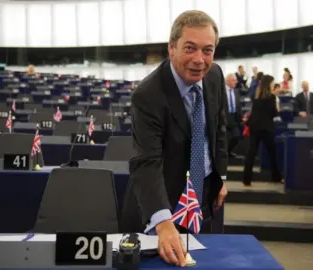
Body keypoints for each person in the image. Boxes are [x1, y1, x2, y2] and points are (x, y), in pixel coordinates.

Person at [120, 10, 228, 267]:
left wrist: (221, 176)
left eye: (208, 50)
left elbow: (220, 129)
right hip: (160, 204)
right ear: (171, 47)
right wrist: (163, 223)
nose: (199, 60)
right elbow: (146, 162)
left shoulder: (215, 76)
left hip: (202, 199)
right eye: (189, 48)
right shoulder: (148, 95)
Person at [243, 75, 283, 186]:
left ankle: (247, 179)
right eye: (272, 82)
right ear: (268, 84)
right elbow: (273, 113)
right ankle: (276, 177)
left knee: (251, 152)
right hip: (266, 128)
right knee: (272, 153)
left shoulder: (257, 97)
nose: (273, 84)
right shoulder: (271, 98)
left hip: (254, 127)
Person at [225, 73, 241, 157]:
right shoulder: (221, 91)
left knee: (237, 136)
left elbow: (238, 106)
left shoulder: (236, 91)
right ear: (227, 81)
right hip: (224, 117)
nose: (236, 82)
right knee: (223, 138)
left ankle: (227, 151)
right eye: (234, 80)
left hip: (234, 117)